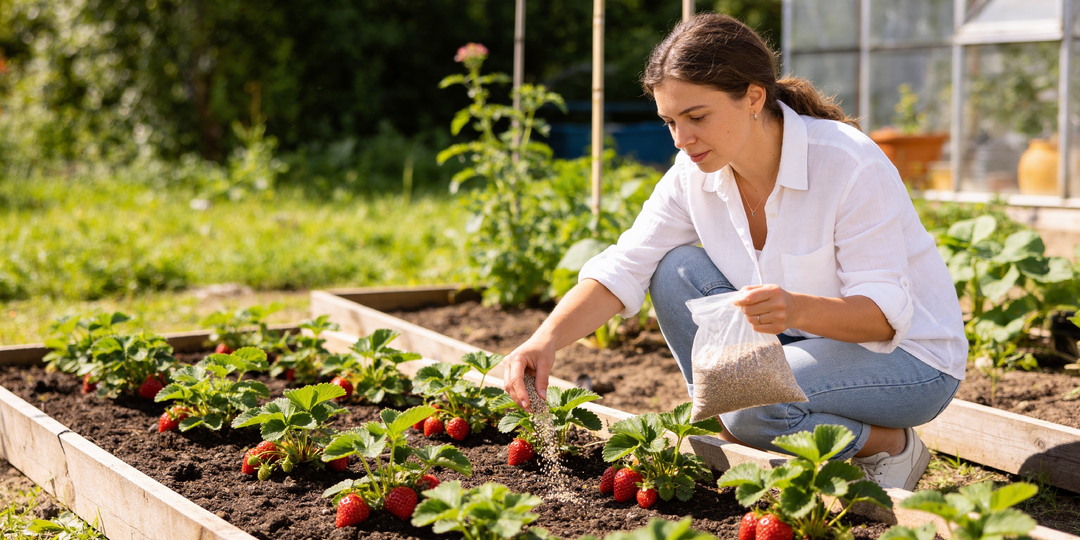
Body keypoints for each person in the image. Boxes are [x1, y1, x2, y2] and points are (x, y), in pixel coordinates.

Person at [501, 13, 967, 491]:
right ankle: (745, 422)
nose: (682, 140)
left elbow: (884, 319)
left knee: (748, 400)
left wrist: (795, 307)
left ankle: (889, 445)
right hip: (804, 345)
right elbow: (626, 264)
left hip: (907, 361)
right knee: (673, 270)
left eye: (697, 117)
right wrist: (546, 339)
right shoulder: (693, 172)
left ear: (753, 97)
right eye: (670, 122)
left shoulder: (848, 163)